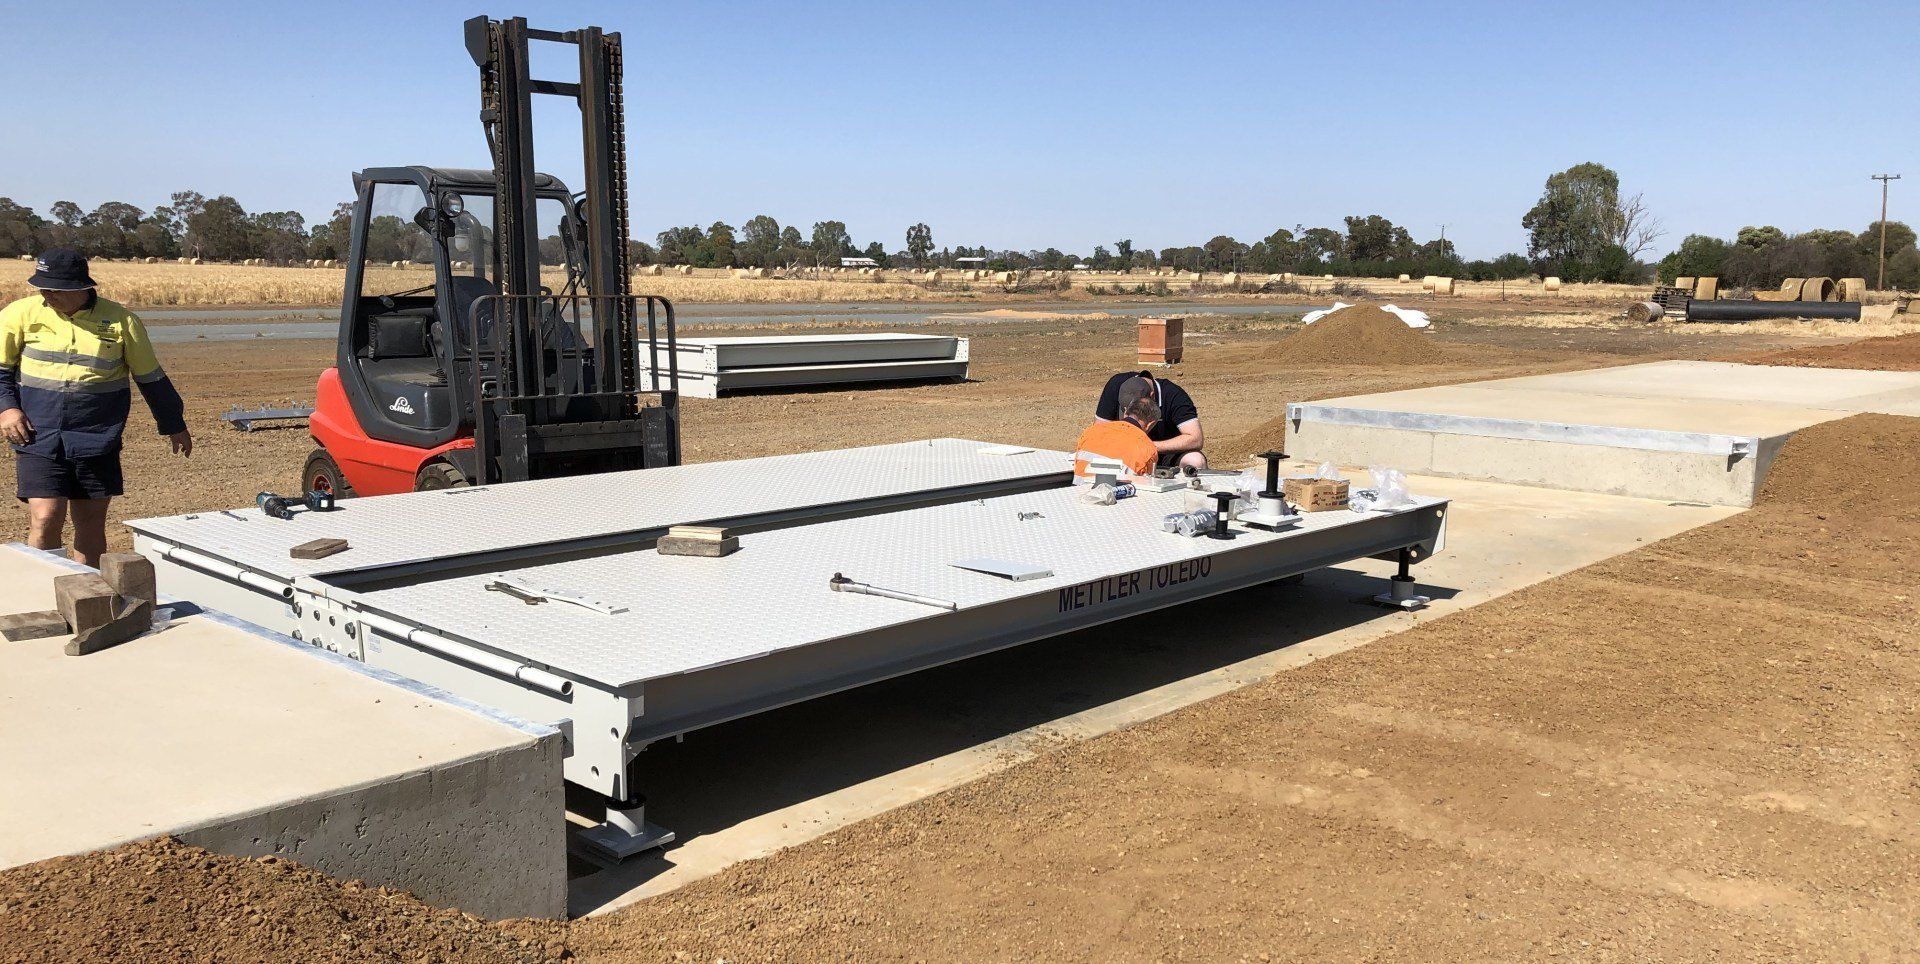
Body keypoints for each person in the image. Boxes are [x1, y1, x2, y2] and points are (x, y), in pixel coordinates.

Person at [0, 249, 191, 567]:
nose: (46, 294)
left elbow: (151, 379)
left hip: (97, 437)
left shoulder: (122, 321)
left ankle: (87, 591)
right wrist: (7, 409)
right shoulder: (18, 314)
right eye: (42, 287)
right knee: (45, 517)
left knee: (89, 524)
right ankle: (42, 588)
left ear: (81, 286)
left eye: (55, 289)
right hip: (37, 436)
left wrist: (173, 423)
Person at [1095, 369, 1205, 471]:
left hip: (1164, 454)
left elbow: (1195, 439)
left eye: (1137, 413)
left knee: (1195, 460)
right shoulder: (1116, 385)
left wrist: (1147, 447)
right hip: (1124, 451)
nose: (1126, 417)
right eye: (1125, 411)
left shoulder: (1174, 396)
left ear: (1151, 397)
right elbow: (1099, 432)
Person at [1073, 380, 1160, 478]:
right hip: (1120, 488)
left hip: (1079, 486)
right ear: (1151, 423)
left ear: (1125, 413)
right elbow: (1146, 482)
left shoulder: (1090, 432)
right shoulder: (1148, 449)